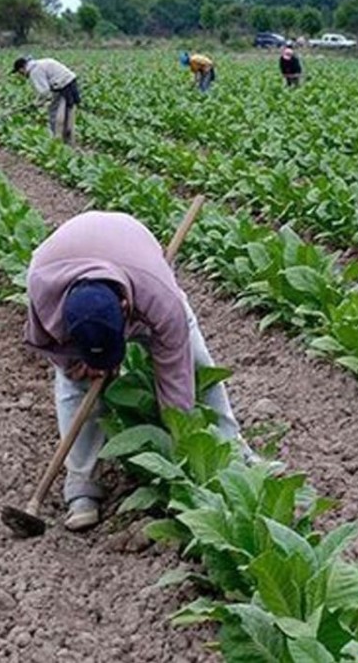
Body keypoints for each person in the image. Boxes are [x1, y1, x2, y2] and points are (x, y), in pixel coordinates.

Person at [24, 211, 256, 530]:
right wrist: (75, 364)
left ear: (125, 310)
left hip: (132, 250)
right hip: (64, 261)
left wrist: (183, 440)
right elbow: (45, 343)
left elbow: (174, 374)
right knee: (73, 385)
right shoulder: (42, 288)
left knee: (197, 361)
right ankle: (81, 487)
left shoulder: (157, 294)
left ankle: (233, 450)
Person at [12, 56, 81, 144]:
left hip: (63, 86)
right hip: (70, 82)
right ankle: (68, 140)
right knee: (69, 112)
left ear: (22, 69)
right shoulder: (38, 64)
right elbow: (47, 92)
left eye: (19, 72)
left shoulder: (34, 71)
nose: (20, 74)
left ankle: (58, 139)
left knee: (54, 114)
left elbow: (44, 91)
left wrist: (38, 103)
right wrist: (40, 101)